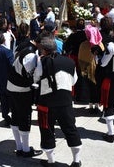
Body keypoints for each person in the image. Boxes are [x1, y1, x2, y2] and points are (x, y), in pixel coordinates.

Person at [34, 32, 82, 167]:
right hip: (65, 101)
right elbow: (74, 81)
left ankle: (51, 161)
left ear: (44, 50)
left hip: (46, 103)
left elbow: (36, 78)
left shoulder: (41, 62)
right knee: (70, 129)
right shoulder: (70, 61)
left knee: (46, 129)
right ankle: (76, 161)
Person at [7, 26, 43, 157]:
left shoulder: (25, 46)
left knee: (15, 115)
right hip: (21, 89)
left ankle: (19, 147)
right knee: (24, 117)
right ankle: (26, 150)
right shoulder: (32, 55)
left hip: (11, 85)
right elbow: (36, 76)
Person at [78, 24, 103, 114]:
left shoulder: (83, 45)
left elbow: (80, 58)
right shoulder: (100, 44)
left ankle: (91, 105)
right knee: (96, 88)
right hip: (99, 70)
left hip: (87, 70)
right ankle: (96, 105)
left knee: (90, 88)